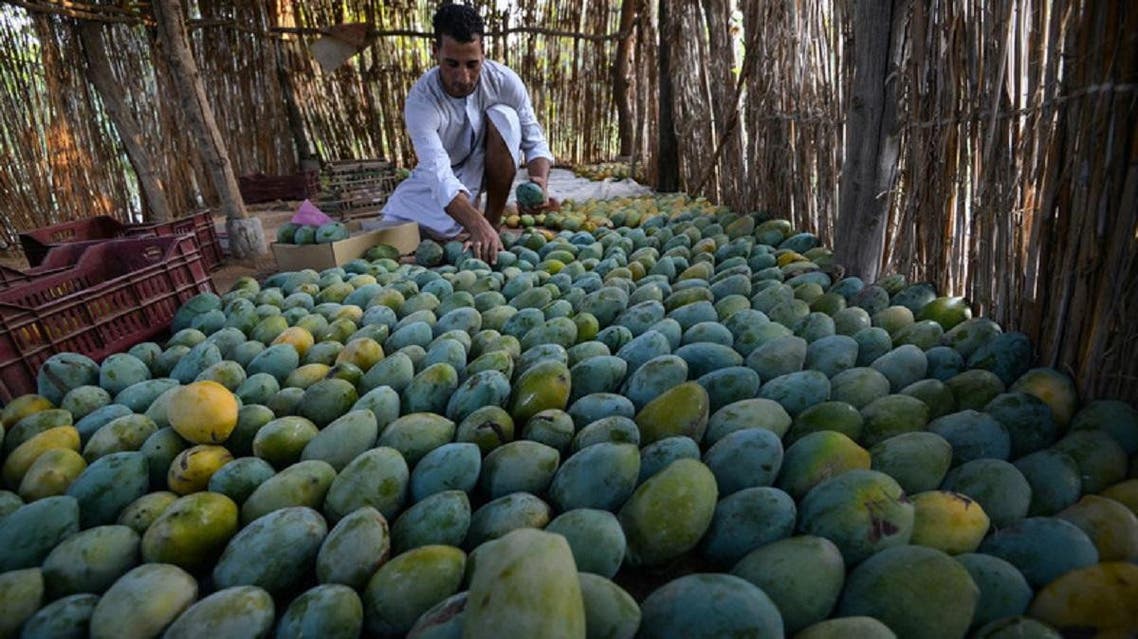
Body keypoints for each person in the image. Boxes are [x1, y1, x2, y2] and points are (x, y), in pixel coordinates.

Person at [381, 2, 556, 264]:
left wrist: (539, 181)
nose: (463, 77)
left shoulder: (504, 81)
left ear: (483, 52)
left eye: (472, 64)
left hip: (493, 164)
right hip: (447, 172)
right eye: (452, 64)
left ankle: (493, 225)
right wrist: (475, 222)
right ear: (435, 51)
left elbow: (534, 140)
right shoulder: (422, 101)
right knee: (397, 225)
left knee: (506, 116)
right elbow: (438, 172)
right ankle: (479, 224)